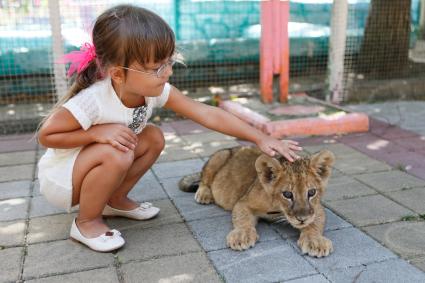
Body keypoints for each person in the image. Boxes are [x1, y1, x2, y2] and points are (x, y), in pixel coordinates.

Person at [37, 4, 302, 252]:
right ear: (118, 74)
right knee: (117, 152)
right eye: (156, 68)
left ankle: (113, 200)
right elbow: (47, 135)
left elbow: (206, 113)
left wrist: (259, 137)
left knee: (152, 136)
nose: (167, 73)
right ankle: (86, 222)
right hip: (63, 180)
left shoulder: (154, 90)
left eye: (168, 61)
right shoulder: (93, 99)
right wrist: (97, 133)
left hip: (94, 166)